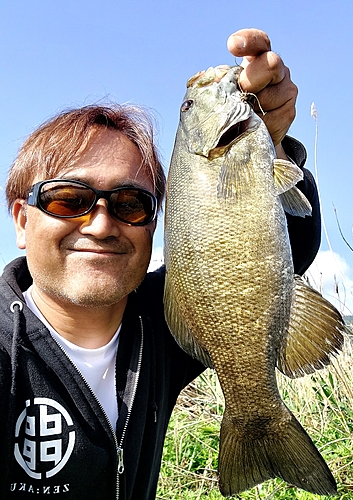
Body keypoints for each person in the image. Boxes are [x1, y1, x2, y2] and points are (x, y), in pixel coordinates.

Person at [0, 29, 321, 499]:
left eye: (130, 203)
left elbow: (289, 249)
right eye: (69, 200)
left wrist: (271, 149)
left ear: (153, 224)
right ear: (22, 222)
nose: (100, 224)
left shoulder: (162, 325)